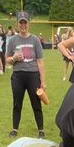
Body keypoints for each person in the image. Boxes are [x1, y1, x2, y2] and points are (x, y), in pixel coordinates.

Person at [6, 11, 46, 139]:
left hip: (33, 75)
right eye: (20, 22)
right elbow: (6, 59)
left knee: (36, 103)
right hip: (18, 75)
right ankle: (14, 129)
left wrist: (43, 81)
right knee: (17, 103)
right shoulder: (12, 40)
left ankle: (41, 129)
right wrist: (13, 58)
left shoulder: (35, 40)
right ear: (17, 24)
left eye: (25, 22)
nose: (23, 25)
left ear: (29, 24)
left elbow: (40, 61)